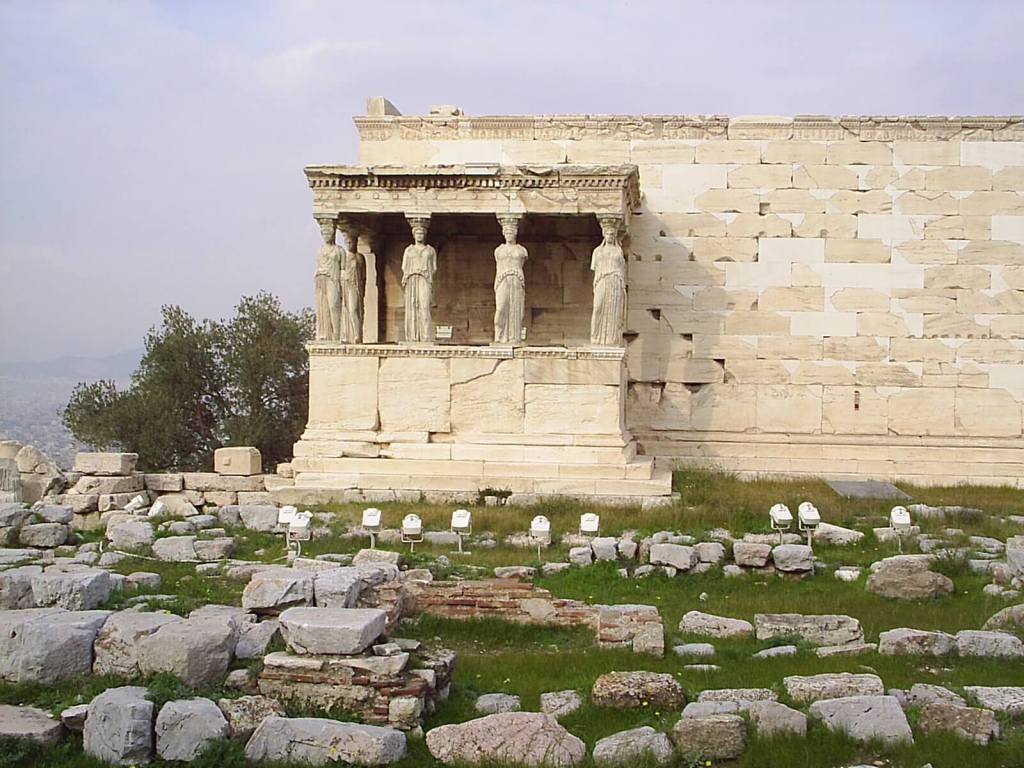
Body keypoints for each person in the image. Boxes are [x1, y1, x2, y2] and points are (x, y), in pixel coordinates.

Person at [590, 217, 626, 346]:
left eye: (612, 234)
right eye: (607, 233)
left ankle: (611, 340)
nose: (609, 236)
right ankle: (596, 338)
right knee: (598, 308)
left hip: (615, 282)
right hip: (602, 281)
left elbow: (622, 269)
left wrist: (621, 285)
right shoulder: (597, 251)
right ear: (603, 235)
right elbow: (594, 268)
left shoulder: (618, 251)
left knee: (613, 312)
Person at [493, 217, 527, 344]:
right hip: (502, 279)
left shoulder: (522, 250)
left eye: (511, 232)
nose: (509, 235)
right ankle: (499, 336)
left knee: (517, 310)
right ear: (503, 233)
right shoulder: (498, 250)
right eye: (507, 232)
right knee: (501, 308)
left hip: (517, 279)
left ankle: (514, 337)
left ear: (516, 233)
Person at [401, 220, 437, 342]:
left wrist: (426, 274)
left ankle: (426, 337)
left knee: (424, 306)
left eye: (422, 233)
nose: (420, 235)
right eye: (417, 233)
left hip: (425, 279)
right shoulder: (409, 250)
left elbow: (434, 267)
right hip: (411, 279)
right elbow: (404, 266)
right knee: (412, 307)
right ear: (414, 235)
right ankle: (412, 337)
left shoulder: (430, 250)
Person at [314, 218, 342, 340]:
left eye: (329, 233)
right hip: (321, 278)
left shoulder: (339, 250)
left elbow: (344, 269)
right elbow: (319, 265)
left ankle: (337, 334)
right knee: (323, 306)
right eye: (324, 234)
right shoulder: (320, 250)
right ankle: (326, 335)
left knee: (334, 305)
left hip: (334, 279)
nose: (326, 236)